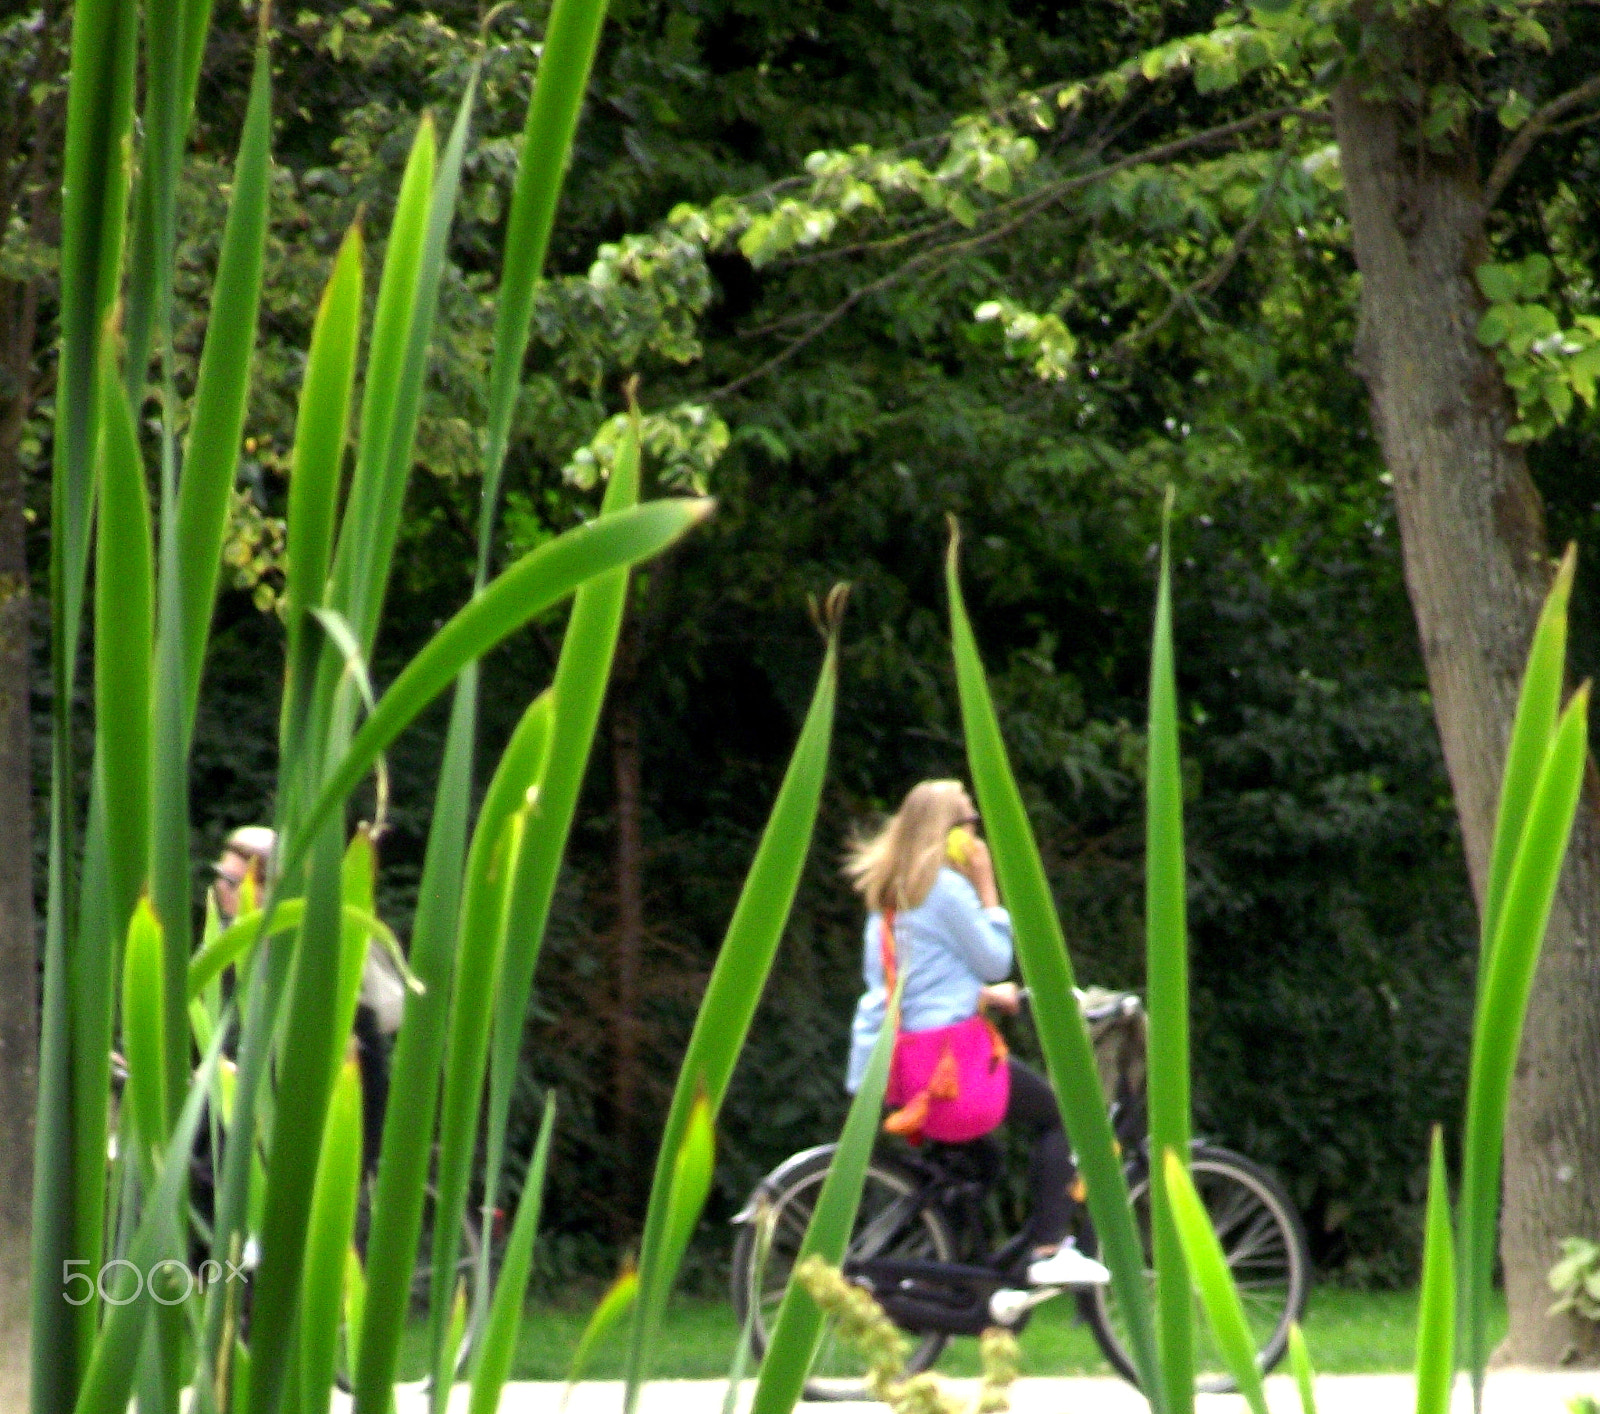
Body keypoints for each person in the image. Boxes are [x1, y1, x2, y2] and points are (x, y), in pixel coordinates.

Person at [845, 779, 1110, 1288]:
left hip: (897, 1062)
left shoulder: (892, 891)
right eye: (968, 821)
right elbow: (993, 959)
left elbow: (904, 978)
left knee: (981, 1163)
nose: (976, 832)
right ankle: (1048, 1249)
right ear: (947, 833)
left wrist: (982, 998)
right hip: (947, 1061)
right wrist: (987, 886)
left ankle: (950, 1274)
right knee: (1061, 1117)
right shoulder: (946, 890)